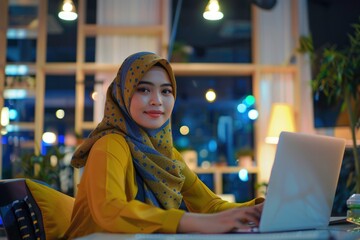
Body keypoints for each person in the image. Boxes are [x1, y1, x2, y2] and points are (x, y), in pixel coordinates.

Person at [64, 52, 264, 238]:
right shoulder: (110, 144)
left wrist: (259, 209)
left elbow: (209, 206)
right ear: (123, 95)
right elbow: (110, 209)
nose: (157, 100)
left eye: (166, 91)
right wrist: (191, 222)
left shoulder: (167, 155)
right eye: (143, 89)